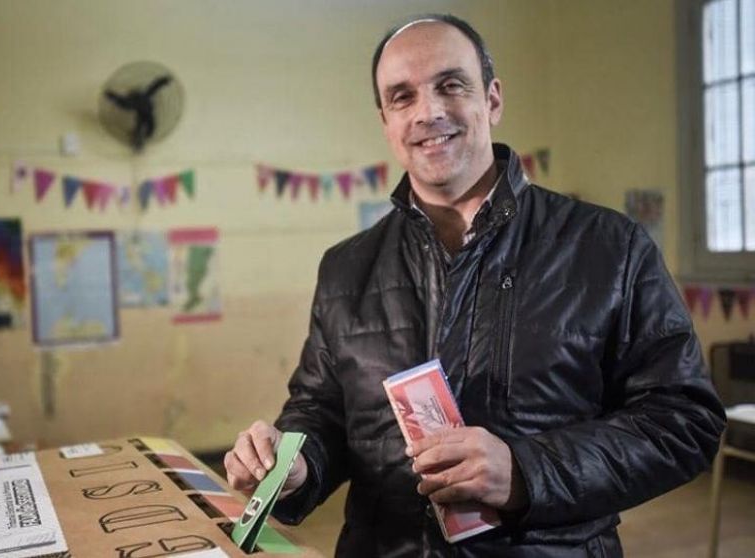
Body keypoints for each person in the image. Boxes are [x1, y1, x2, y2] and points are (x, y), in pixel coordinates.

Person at [224, 14, 726, 557]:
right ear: (386, 121)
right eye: (402, 96)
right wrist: (296, 463)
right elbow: (321, 409)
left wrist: (525, 472)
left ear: (492, 99)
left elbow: (684, 421)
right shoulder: (346, 268)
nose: (428, 112)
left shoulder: (609, 247)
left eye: (450, 85)